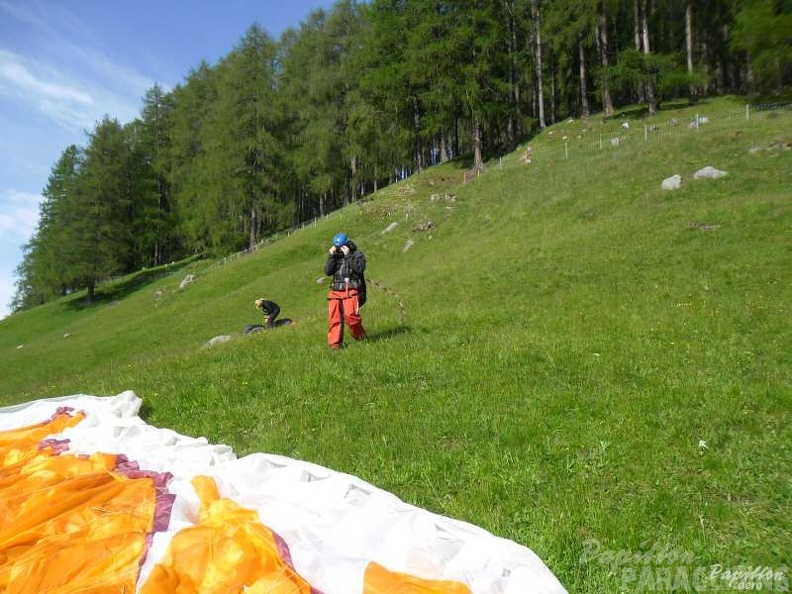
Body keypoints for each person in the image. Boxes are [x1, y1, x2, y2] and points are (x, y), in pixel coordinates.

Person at [324, 232, 367, 349]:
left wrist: (348, 255)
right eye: (337, 247)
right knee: (335, 318)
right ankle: (335, 344)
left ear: (347, 244)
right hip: (335, 290)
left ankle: (361, 336)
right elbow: (327, 271)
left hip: (352, 289)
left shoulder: (357, 254)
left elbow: (360, 268)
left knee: (350, 316)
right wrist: (331, 256)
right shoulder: (335, 256)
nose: (339, 249)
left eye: (341, 247)